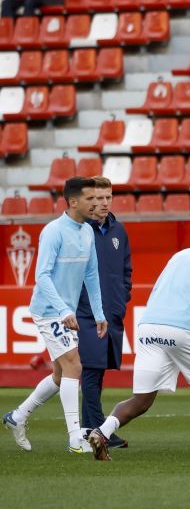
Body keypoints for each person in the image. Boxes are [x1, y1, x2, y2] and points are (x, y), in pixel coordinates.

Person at [87, 230, 190, 461]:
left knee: (141, 400)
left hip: (148, 327)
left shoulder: (181, 255)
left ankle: (102, 432)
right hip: (183, 328)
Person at [3, 177, 107, 453]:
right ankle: (75, 438)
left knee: (61, 375)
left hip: (65, 312)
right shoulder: (53, 231)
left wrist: (98, 312)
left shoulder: (87, 231)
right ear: (74, 202)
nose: (97, 203)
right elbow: (42, 276)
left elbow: (91, 274)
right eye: (91, 199)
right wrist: (62, 310)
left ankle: (17, 416)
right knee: (75, 365)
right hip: (50, 311)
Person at [77, 177, 132, 450]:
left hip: (111, 313)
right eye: (97, 198)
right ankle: (96, 428)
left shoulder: (118, 231)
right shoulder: (76, 230)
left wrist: (122, 300)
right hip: (84, 314)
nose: (103, 203)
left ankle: (90, 429)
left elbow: (125, 271)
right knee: (90, 370)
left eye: (107, 197)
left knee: (97, 372)